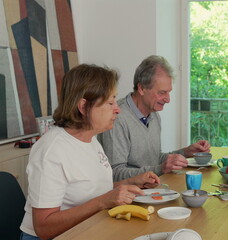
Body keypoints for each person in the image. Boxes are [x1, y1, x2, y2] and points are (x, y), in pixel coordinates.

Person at [20, 64, 160, 240]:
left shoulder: (91, 139)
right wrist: (102, 202)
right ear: (83, 106)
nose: (118, 109)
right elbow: (44, 227)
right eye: (110, 102)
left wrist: (133, 182)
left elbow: (91, 189)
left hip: (88, 229)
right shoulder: (51, 150)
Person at [98, 55, 210, 181]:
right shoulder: (117, 118)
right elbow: (115, 174)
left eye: (169, 92)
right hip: (130, 196)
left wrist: (185, 152)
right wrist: (160, 169)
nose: (168, 99)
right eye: (162, 93)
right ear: (141, 88)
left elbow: (154, 158)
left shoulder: (153, 114)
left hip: (151, 190)